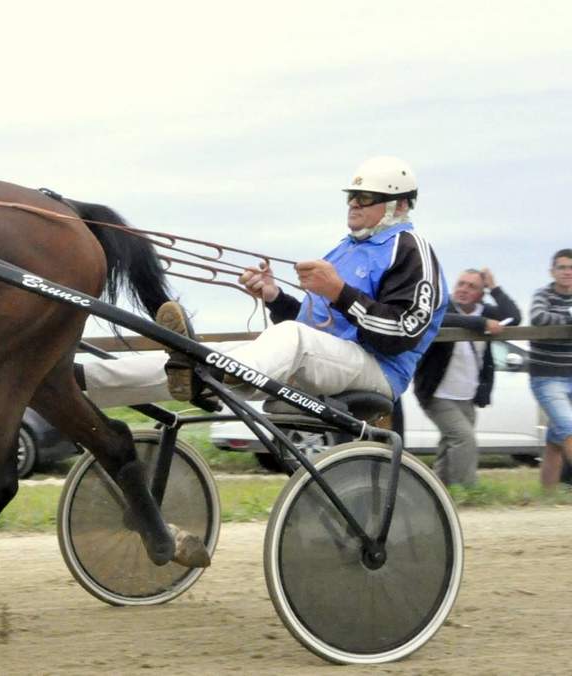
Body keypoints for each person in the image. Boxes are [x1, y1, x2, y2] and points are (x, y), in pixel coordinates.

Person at [83, 156, 447, 413]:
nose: (353, 204)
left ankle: (216, 372)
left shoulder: (411, 250)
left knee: (280, 342)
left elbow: (403, 334)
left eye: (364, 198)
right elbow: (313, 327)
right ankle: (81, 380)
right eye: (350, 196)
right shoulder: (346, 249)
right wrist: (274, 297)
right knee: (190, 360)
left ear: (399, 206)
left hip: (379, 370)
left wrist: (338, 292)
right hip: (324, 358)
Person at [413, 269, 521, 486]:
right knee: (464, 439)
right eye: (461, 283)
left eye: (472, 286)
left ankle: (438, 491)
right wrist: (480, 324)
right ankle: (468, 491)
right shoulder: (443, 307)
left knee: (449, 444)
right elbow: (439, 319)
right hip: (437, 393)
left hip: (467, 395)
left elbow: (516, 317)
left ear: (482, 294)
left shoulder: (486, 310)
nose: (463, 289)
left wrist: (495, 288)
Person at [529, 248, 572, 490]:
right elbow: (538, 318)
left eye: (570, 267)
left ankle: (547, 498)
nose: (567, 272)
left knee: (556, 441)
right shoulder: (542, 295)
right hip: (548, 377)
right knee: (569, 428)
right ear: (552, 271)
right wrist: (569, 315)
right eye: (562, 267)